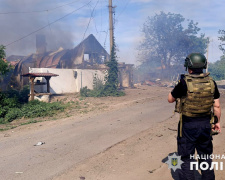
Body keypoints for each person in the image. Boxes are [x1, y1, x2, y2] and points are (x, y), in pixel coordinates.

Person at [168, 53, 221, 180]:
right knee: (206, 157)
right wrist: (216, 122)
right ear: (204, 65)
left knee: (186, 158)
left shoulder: (183, 82)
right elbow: (217, 106)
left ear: (188, 66)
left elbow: (170, 99)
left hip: (188, 125)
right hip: (205, 125)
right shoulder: (211, 82)